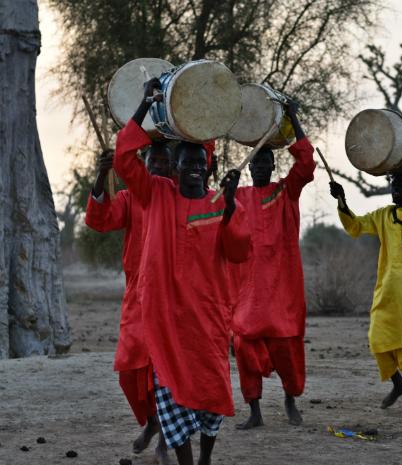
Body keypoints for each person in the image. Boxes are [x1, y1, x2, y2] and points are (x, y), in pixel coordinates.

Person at [113, 77, 251, 465]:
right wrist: (144, 104)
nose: (193, 168)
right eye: (185, 163)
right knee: (170, 395)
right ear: (173, 168)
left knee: (209, 399)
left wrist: (229, 209)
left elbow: (239, 251)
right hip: (164, 323)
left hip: (206, 323)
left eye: (199, 163)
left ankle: (206, 459)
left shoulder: (218, 202)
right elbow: (125, 159)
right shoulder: (154, 194)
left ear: (207, 167)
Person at [329, 119, 402, 419]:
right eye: (393, 185)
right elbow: (355, 226)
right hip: (390, 293)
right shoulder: (383, 215)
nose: (397, 190)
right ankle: (397, 382)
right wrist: (341, 201)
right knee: (378, 339)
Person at [85, 142, 172, 464]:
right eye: (153, 161)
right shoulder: (129, 198)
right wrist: (101, 173)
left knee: (165, 373)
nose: (159, 167)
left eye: (165, 162)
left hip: (170, 300)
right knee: (129, 371)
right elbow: (100, 219)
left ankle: (165, 439)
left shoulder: (179, 198)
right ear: (143, 165)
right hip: (136, 296)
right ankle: (151, 423)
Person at [231, 101, 315, 429]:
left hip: (283, 293)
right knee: (244, 346)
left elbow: (306, 165)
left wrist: (293, 115)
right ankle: (254, 411)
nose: (261, 166)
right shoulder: (238, 196)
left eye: (267, 160)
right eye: (257, 162)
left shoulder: (286, 192)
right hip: (248, 295)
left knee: (287, 350)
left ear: (273, 164)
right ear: (251, 166)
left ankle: (291, 401)